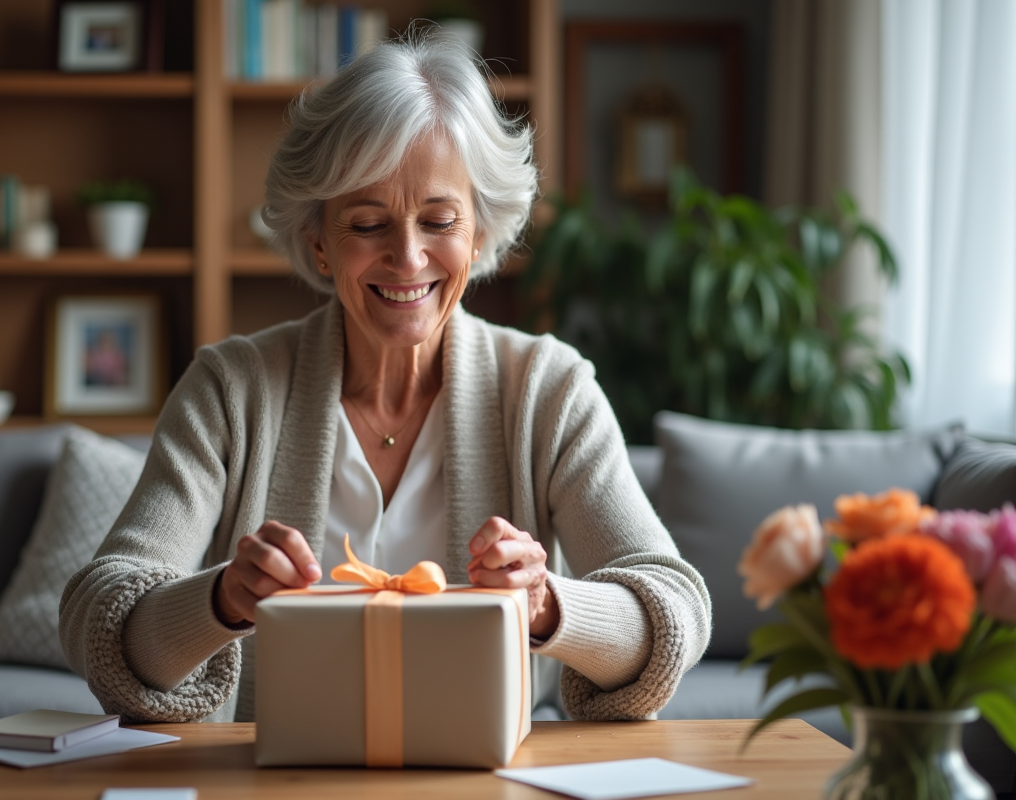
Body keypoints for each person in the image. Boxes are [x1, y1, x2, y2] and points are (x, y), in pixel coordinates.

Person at [60, 33, 711, 724]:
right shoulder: (231, 389)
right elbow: (100, 616)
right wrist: (223, 600)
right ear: (319, 241)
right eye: (368, 223)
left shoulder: (548, 389)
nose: (407, 257)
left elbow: (673, 609)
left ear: (480, 234)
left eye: (439, 220)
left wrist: (547, 604)